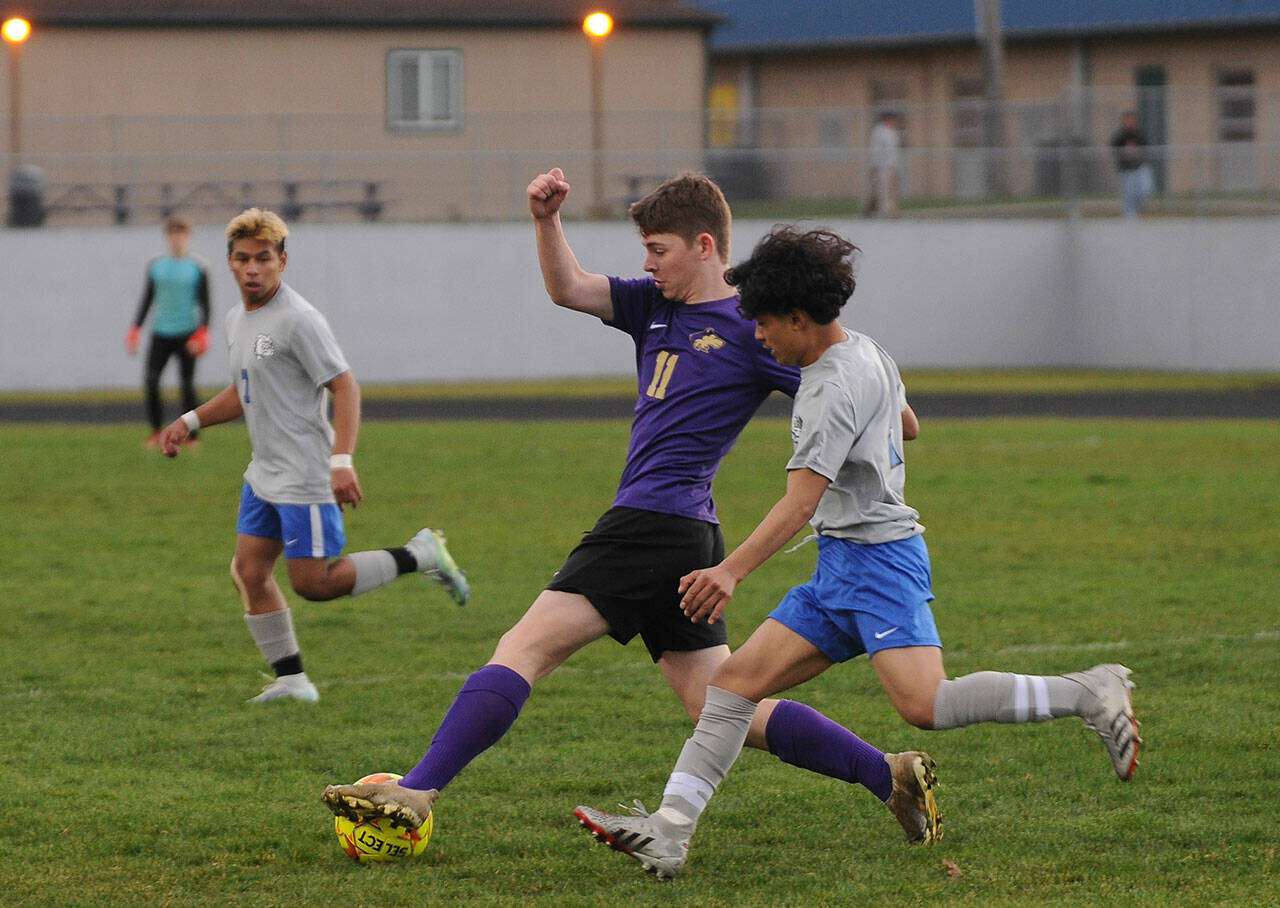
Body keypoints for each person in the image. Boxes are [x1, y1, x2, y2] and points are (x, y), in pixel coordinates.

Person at [321, 170, 939, 847]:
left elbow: (865, 394)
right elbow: (569, 288)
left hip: (650, 525)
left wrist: (890, 408)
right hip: (686, 536)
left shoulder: (755, 329)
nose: (647, 264)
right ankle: (888, 775)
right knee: (718, 702)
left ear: (705, 246)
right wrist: (546, 220)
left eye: (658, 249)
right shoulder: (654, 304)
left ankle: (417, 789)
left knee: (524, 649)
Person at [573, 226, 1140, 879]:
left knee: (924, 706)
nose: (755, 334)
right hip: (840, 567)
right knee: (731, 689)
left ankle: (1089, 692)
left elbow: (798, 504)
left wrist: (730, 570)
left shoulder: (825, 391)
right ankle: (669, 832)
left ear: (798, 318)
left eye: (762, 322)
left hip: (879, 565)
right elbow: (908, 424)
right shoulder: (867, 351)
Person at [158, 208, 469, 703]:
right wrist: (189, 421)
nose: (253, 268)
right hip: (265, 472)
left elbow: (345, 387)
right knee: (249, 572)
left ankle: (421, 554)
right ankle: (292, 680)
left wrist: (341, 460)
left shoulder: (300, 320)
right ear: (230, 263)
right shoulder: (238, 318)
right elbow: (244, 392)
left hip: (305, 474)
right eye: (243, 259)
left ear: (283, 260)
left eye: (264, 258)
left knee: (315, 584)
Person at [127, 215, 211, 449]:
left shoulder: (198, 266)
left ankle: (192, 436)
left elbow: (206, 303)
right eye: (174, 234)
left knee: (187, 385)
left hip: (188, 333)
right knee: (151, 380)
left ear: (189, 237)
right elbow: (147, 299)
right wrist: (135, 329)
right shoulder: (157, 266)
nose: (178, 239)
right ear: (168, 237)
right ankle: (155, 431)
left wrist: (203, 332)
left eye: (182, 234)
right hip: (161, 332)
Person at [1110, 112, 1153, 218]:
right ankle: (1130, 213)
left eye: (1132, 121)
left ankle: (1138, 207)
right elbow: (1114, 147)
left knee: (1145, 188)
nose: (1130, 123)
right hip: (1127, 169)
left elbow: (1147, 146)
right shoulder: (1120, 135)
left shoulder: (1140, 133)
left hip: (1140, 166)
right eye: (1128, 121)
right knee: (1128, 192)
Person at [867, 112, 901, 217]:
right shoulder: (879, 132)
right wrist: (876, 165)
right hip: (881, 166)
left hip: (890, 165)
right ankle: (885, 211)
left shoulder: (892, 132)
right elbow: (877, 150)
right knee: (883, 189)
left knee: (889, 189)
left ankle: (888, 209)